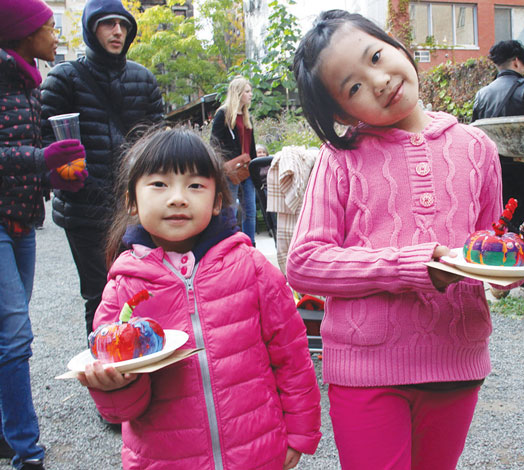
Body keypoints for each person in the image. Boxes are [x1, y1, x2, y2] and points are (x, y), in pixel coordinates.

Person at [288, 10, 505, 470]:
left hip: (455, 360)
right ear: (342, 113)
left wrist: (507, 271)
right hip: (366, 372)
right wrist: (411, 267)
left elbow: (488, 243)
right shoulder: (340, 160)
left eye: (376, 56)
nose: (379, 80)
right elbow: (304, 262)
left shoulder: (477, 148)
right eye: (353, 87)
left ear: (396, 45)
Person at [76, 125, 321, 470]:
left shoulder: (251, 267)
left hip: (256, 451)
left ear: (218, 200)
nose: (178, 197)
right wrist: (114, 387)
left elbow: (292, 355)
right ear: (132, 199)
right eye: (159, 184)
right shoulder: (123, 289)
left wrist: (299, 432)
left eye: (195, 185)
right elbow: (124, 411)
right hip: (165, 459)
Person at [41, 0, 164, 339]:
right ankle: (106, 369)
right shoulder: (64, 79)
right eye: (108, 24)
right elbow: (42, 138)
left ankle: (143, 359)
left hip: (134, 208)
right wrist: (62, 171)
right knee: (99, 294)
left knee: (144, 287)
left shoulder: (143, 78)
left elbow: (158, 142)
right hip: (84, 209)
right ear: (90, 29)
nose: (117, 31)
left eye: (123, 24)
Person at [0, 0, 87, 468]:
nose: (56, 35)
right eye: (49, 27)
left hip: (22, 220)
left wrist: (59, 178)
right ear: (20, 33)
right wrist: (43, 160)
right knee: (15, 336)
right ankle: (26, 451)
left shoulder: (31, 84)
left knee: (4, 335)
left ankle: (3, 433)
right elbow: (25, 153)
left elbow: (32, 151)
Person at [472, 40, 524, 228]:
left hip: (493, 165)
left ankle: (504, 240)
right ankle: (510, 239)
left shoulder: (482, 94)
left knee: (501, 210)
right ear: (517, 61)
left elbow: (475, 129)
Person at [211, 76, 258, 245]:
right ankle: (229, 243)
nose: (250, 94)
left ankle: (250, 245)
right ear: (238, 93)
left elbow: (251, 145)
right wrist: (225, 164)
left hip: (248, 169)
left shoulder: (247, 116)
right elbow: (214, 143)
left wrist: (255, 167)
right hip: (231, 170)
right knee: (230, 209)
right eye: (247, 91)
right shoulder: (223, 114)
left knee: (250, 210)